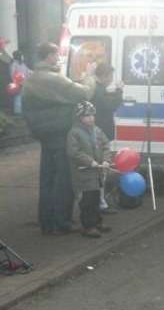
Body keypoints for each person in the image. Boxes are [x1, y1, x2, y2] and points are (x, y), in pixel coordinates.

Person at [22, 42, 95, 235]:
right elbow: (83, 93)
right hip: (60, 132)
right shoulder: (52, 78)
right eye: (56, 54)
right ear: (49, 56)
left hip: (44, 134)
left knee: (47, 178)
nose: (58, 57)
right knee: (63, 178)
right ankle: (61, 222)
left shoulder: (32, 78)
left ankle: (46, 221)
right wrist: (89, 76)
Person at [66, 101, 112, 238]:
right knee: (87, 201)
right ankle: (88, 226)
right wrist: (90, 161)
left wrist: (106, 160)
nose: (91, 118)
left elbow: (106, 145)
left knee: (96, 198)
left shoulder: (97, 130)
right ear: (80, 117)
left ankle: (97, 222)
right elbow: (74, 152)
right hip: (83, 174)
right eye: (87, 115)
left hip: (96, 173)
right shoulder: (74, 133)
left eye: (92, 115)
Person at [91, 62, 123, 214]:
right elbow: (109, 106)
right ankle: (100, 204)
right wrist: (119, 91)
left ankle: (100, 202)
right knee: (101, 170)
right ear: (104, 76)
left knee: (101, 170)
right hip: (100, 134)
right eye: (110, 76)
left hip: (98, 133)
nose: (111, 79)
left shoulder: (97, 89)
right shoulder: (98, 90)